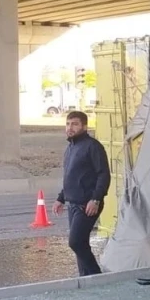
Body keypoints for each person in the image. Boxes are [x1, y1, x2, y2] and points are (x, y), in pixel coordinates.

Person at [52, 111, 111, 277]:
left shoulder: (93, 146)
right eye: (68, 124)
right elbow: (72, 177)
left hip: (88, 204)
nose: (70, 127)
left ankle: (96, 276)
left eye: (75, 124)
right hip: (72, 204)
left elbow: (103, 174)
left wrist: (96, 199)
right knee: (81, 244)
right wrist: (60, 198)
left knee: (75, 242)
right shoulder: (70, 148)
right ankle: (86, 279)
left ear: (84, 126)